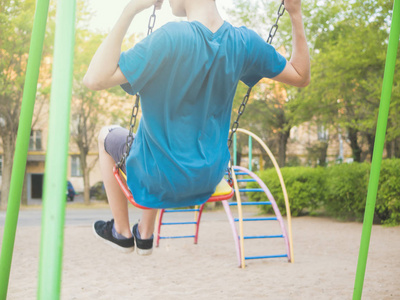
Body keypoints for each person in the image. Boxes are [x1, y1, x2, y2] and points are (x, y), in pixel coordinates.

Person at [84, 0, 310, 254]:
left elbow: (94, 78)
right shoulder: (244, 42)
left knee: (108, 134)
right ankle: (145, 234)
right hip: (208, 179)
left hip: (157, 178)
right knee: (150, 140)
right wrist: (295, 13)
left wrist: (131, 9)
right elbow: (301, 76)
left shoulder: (170, 38)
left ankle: (122, 232)